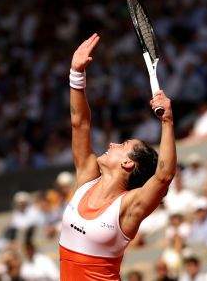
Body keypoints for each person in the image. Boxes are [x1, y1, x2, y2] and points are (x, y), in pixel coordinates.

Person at [62, 33, 177, 281]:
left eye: (122, 145)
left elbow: (164, 176)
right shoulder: (87, 178)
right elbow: (79, 124)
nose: (112, 143)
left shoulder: (128, 208)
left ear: (128, 163)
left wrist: (167, 121)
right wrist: (76, 74)